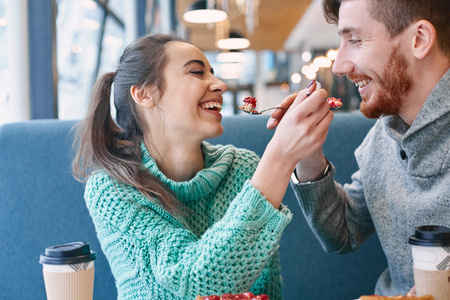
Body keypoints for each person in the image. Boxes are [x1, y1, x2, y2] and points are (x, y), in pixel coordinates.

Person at [72, 34, 333, 300]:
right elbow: (196, 282)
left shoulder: (243, 169)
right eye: (197, 72)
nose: (220, 85)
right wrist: (280, 156)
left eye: (214, 73)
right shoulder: (113, 188)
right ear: (144, 94)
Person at [268, 0, 450, 296]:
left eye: (355, 40)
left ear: (419, 40)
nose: (339, 66)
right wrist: (308, 152)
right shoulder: (384, 134)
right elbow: (343, 233)